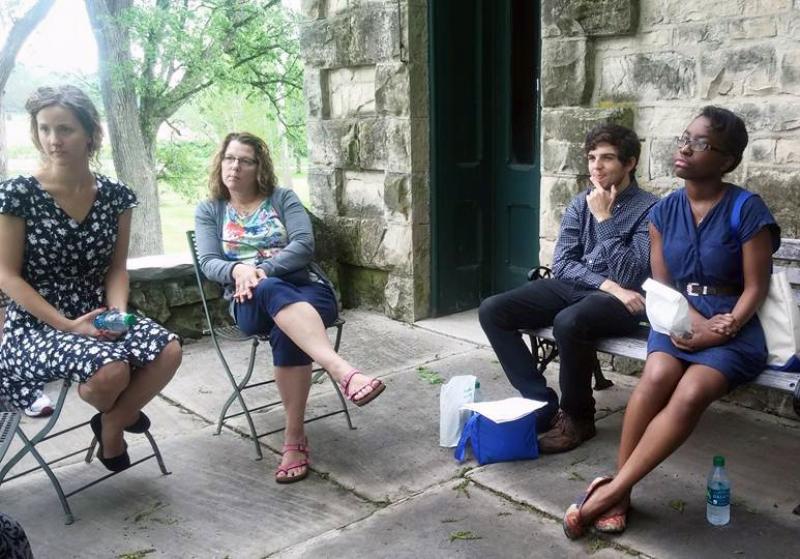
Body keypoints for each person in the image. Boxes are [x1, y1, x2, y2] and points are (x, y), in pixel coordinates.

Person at [562, 106, 780, 538]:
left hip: (731, 329)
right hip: (676, 317)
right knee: (657, 375)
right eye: (684, 137)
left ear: (726, 160)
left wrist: (726, 324)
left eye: (700, 143)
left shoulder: (746, 209)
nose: (684, 147)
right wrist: (690, 325)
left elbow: (756, 286)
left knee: (692, 390)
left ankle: (612, 492)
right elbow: (663, 283)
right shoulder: (663, 212)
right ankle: (621, 493)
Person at [0, 85, 182, 473]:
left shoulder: (116, 196)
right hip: (36, 325)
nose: (53, 140)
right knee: (111, 370)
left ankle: (112, 421)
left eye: (64, 129)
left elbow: (117, 268)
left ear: (90, 133)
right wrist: (67, 325)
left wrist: (115, 315)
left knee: (169, 350)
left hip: (96, 311)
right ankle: (123, 411)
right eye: (44, 129)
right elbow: (7, 276)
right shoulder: (18, 195)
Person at [194, 132, 385, 484]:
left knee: (287, 329)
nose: (235, 166)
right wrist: (239, 270)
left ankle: (294, 439)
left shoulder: (282, 199)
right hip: (249, 301)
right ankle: (342, 371)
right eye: (229, 158)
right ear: (220, 163)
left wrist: (263, 269)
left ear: (259, 167)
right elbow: (208, 262)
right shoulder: (210, 210)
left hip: (308, 291)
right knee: (267, 290)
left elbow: (304, 245)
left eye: (245, 160)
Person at [479, 123, 659, 454]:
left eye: (607, 158)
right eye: (592, 158)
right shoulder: (581, 203)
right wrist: (608, 284)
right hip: (585, 286)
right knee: (493, 310)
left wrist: (605, 220)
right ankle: (541, 404)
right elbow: (562, 264)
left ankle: (578, 418)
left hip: (626, 303)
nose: (596, 166)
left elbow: (631, 274)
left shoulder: (650, 209)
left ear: (630, 163)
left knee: (569, 321)